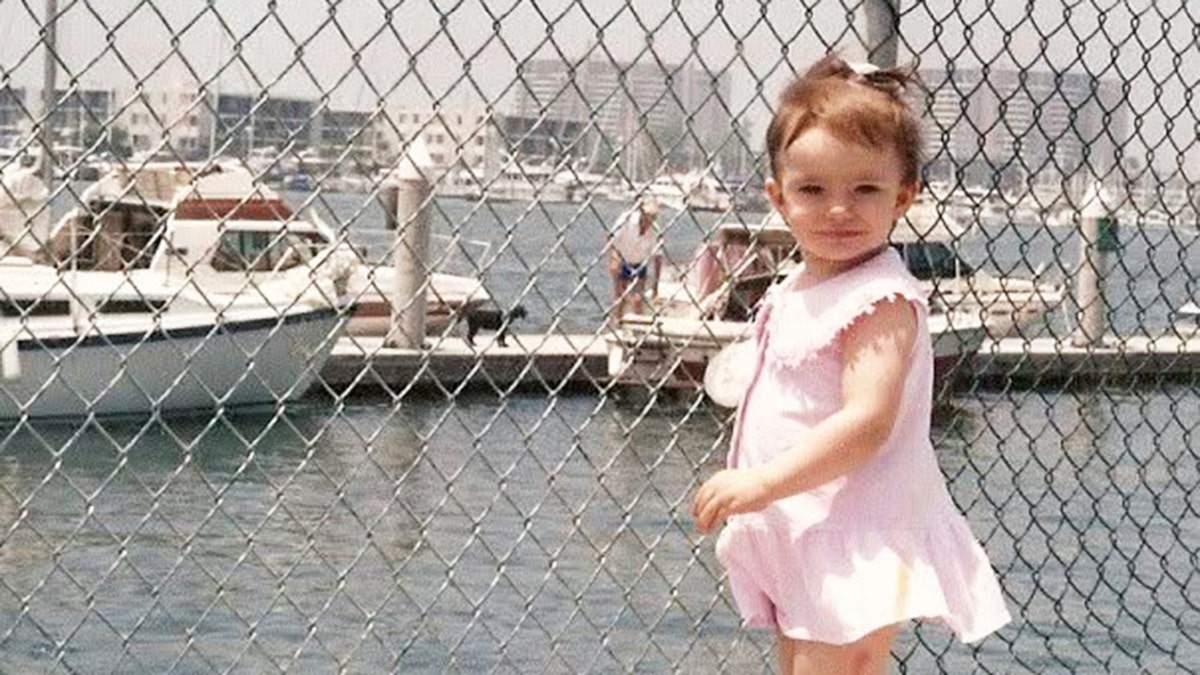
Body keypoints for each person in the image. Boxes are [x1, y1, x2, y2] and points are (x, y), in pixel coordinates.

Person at [691, 54, 1010, 674]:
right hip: (805, 521)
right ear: (779, 198)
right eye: (813, 190)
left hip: (850, 532)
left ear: (903, 197)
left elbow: (868, 421)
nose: (839, 209)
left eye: (865, 189)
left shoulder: (878, 300)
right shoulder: (797, 287)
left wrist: (763, 482)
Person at [608, 196, 661, 320]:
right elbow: (611, 237)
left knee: (638, 298)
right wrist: (613, 259)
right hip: (622, 259)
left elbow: (658, 257)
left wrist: (655, 286)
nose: (650, 219)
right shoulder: (626, 219)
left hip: (639, 263)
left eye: (654, 216)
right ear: (641, 212)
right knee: (620, 296)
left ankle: (637, 324)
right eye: (648, 215)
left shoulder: (655, 231)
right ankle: (617, 322)